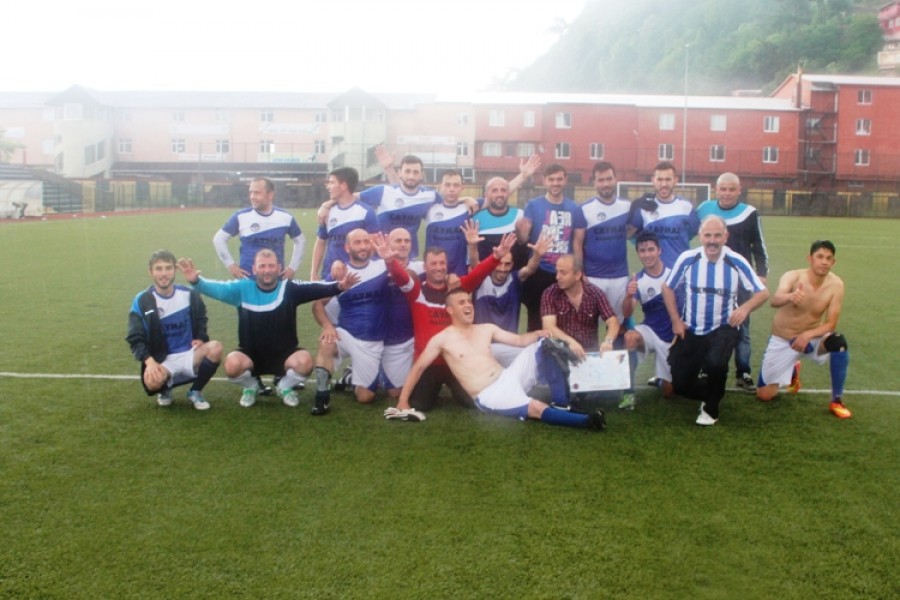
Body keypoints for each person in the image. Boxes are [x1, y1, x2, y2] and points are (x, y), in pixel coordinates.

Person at [396, 288, 606, 430]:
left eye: (469, 301)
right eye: (461, 303)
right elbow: (419, 367)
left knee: (545, 344)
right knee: (535, 408)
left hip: (508, 376)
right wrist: (403, 401)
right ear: (450, 310)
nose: (468, 305)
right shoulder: (442, 339)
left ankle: (561, 403)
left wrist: (538, 334)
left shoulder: (486, 328)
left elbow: (520, 340)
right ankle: (587, 422)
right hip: (490, 395)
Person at [177, 250, 357, 411]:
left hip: (285, 354)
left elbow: (315, 288)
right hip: (250, 354)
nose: (267, 270)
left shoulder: (289, 288)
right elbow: (217, 288)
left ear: (279, 268)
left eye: (271, 266)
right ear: (254, 269)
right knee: (232, 365)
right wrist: (196, 281)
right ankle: (251, 386)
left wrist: (339, 286)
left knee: (305, 362)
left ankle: (284, 387)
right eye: (262, 266)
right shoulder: (242, 288)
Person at [380, 233, 517, 417]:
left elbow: (477, 275)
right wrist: (390, 260)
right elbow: (402, 278)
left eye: (442, 263)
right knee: (420, 404)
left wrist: (496, 257)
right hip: (430, 363)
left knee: (472, 402)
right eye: (434, 264)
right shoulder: (417, 291)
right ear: (425, 267)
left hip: (458, 361)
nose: (439, 267)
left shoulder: (456, 289)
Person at [662, 216, 769, 426]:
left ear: (725, 237)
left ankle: (711, 408)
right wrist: (676, 320)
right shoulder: (688, 258)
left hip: (723, 327)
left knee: (716, 363)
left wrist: (745, 308)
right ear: (700, 236)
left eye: (717, 235)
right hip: (692, 327)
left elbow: (763, 293)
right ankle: (712, 391)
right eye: (708, 235)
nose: (712, 241)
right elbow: (667, 287)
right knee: (680, 385)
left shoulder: (736, 261)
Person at [756, 240, 851, 419]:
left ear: (833, 262)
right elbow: (774, 301)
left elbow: (831, 324)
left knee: (838, 342)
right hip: (783, 340)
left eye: (828, 258)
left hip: (811, 340)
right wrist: (790, 297)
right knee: (764, 395)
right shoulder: (792, 276)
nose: (824, 262)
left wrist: (807, 335)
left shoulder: (836, 285)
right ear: (810, 258)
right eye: (820, 257)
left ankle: (837, 400)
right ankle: (793, 369)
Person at [697, 172, 769, 391]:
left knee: (742, 327)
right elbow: (687, 231)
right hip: (709, 278)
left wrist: (762, 273)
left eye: (731, 189)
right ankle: (705, 368)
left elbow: (758, 245)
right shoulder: (703, 209)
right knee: (707, 323)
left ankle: (743, 372)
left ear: (739, 191)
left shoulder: (749, 213)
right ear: (715, 190)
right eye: (723, 189)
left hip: (739, 281)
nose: (727, 193)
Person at [126, 250, 222, 410]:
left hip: (189, 354)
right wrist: (150, 362)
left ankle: (195, 391)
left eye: (168, 268)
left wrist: (200, 337)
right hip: (163, 359)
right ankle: (165, 390)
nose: (164, 273)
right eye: (158, 269)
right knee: (152, 382)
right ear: (150, 271)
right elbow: (135, 337)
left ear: (175, 270)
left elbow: (201, 317)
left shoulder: (189, 294)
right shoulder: (143, 300)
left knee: (216, 348)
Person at [312, 229, 392, 413]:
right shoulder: (340, 273)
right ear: (347, 247)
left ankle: (350, 376)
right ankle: (322, 397)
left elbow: (406, 271)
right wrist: (327, 326)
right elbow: (318, 305)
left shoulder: (383, 266)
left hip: (372, 342)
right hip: (346, 334)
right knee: (327, 342)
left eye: (366, 241)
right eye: (357, 242)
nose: (363, 246)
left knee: (365, 397)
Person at [466, 224, 552, 365]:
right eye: (499, 263)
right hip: (483, 345)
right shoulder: (482, 279)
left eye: (507, 264)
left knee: (532, 363)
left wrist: (537, 255)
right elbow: (475, 264)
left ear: (512, 265)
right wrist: (472, 245)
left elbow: (530, 268)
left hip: (510, 345)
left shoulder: (515, 279)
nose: (503, 268)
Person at [517, 163, 587, 331]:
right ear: (544, 181)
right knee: (536, 322)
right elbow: (523, 239)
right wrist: (520, 231)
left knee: (564, 322)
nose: (555, 183)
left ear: (565, 180)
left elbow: (577, 243)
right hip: (539, 271)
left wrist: (579, 272)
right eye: (551, 179)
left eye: (559, 179)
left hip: (564, 272)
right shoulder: (533, 205)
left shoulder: (574, 208)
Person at [213, 176, 305, 280]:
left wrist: (293, 267)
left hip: (276, 282)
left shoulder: (285, 217)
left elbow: (300, 240)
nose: (252, 196)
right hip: (247, 281)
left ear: (270, 195)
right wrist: (231, 265)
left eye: (257, 193)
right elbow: (219, 239)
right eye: (251, 192)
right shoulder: (241, 216)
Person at [622, 232, 675, 406]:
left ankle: (663, 377)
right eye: (642, 251)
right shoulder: (638, 280)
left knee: (668, 393)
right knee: (630, 337)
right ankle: (628, 393)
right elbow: (627, 313)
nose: (647, 255)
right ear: (638, 253)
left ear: (659, 250)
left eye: (651, 249)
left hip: (672, 336)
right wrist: (628, 296)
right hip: (651, 331)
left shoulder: (673, 274)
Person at [540, 254, 620, 362]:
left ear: (577, 275)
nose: (557, 277)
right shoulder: (550, 293)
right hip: (560, 355)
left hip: (589, 355)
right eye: (557, 271)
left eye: (563, 272)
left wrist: (608, 341)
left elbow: (613, 321)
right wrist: (569, 342)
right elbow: (548, 326)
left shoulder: (595, 293)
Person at [582, 161, 631, 325]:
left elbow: (633, 231)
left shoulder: (627, 206)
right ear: (594, 182)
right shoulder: (584, 209)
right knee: (589, 326)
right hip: (593, 277)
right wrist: (580, 273)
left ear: (615, 179)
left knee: (619, 325)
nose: (605, 184)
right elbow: (577, 243)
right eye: (601, 180)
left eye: (609, 179)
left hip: (619, 276)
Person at [309, 167, 379, 280]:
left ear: (343, 185)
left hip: (355, 276)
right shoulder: (327, 212)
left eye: (332, 182)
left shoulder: (366, 212)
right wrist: (313, 273)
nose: (328, 187)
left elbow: (373, 246)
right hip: (329, 274)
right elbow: (321, 242)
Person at [628, 162, 699, 268]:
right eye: (660, 180)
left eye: (668, 179)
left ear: (675, 180)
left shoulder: (686, 207)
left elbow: (695, 233)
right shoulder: (643, 207)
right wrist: (633, 209)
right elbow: (628, 234)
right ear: (653, 180)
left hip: (680, 270)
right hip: (654, 272)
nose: (664, 184)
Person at [423, 169, 476, 276]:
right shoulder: (429, 208)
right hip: (434, 270)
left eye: (456, 185)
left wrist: (470, 199)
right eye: (447, 185)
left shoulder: (468, 208)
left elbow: (493, 198)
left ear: (462, 188)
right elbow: (405, 197)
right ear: (440, 187)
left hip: (460, 271)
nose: (451, 189)